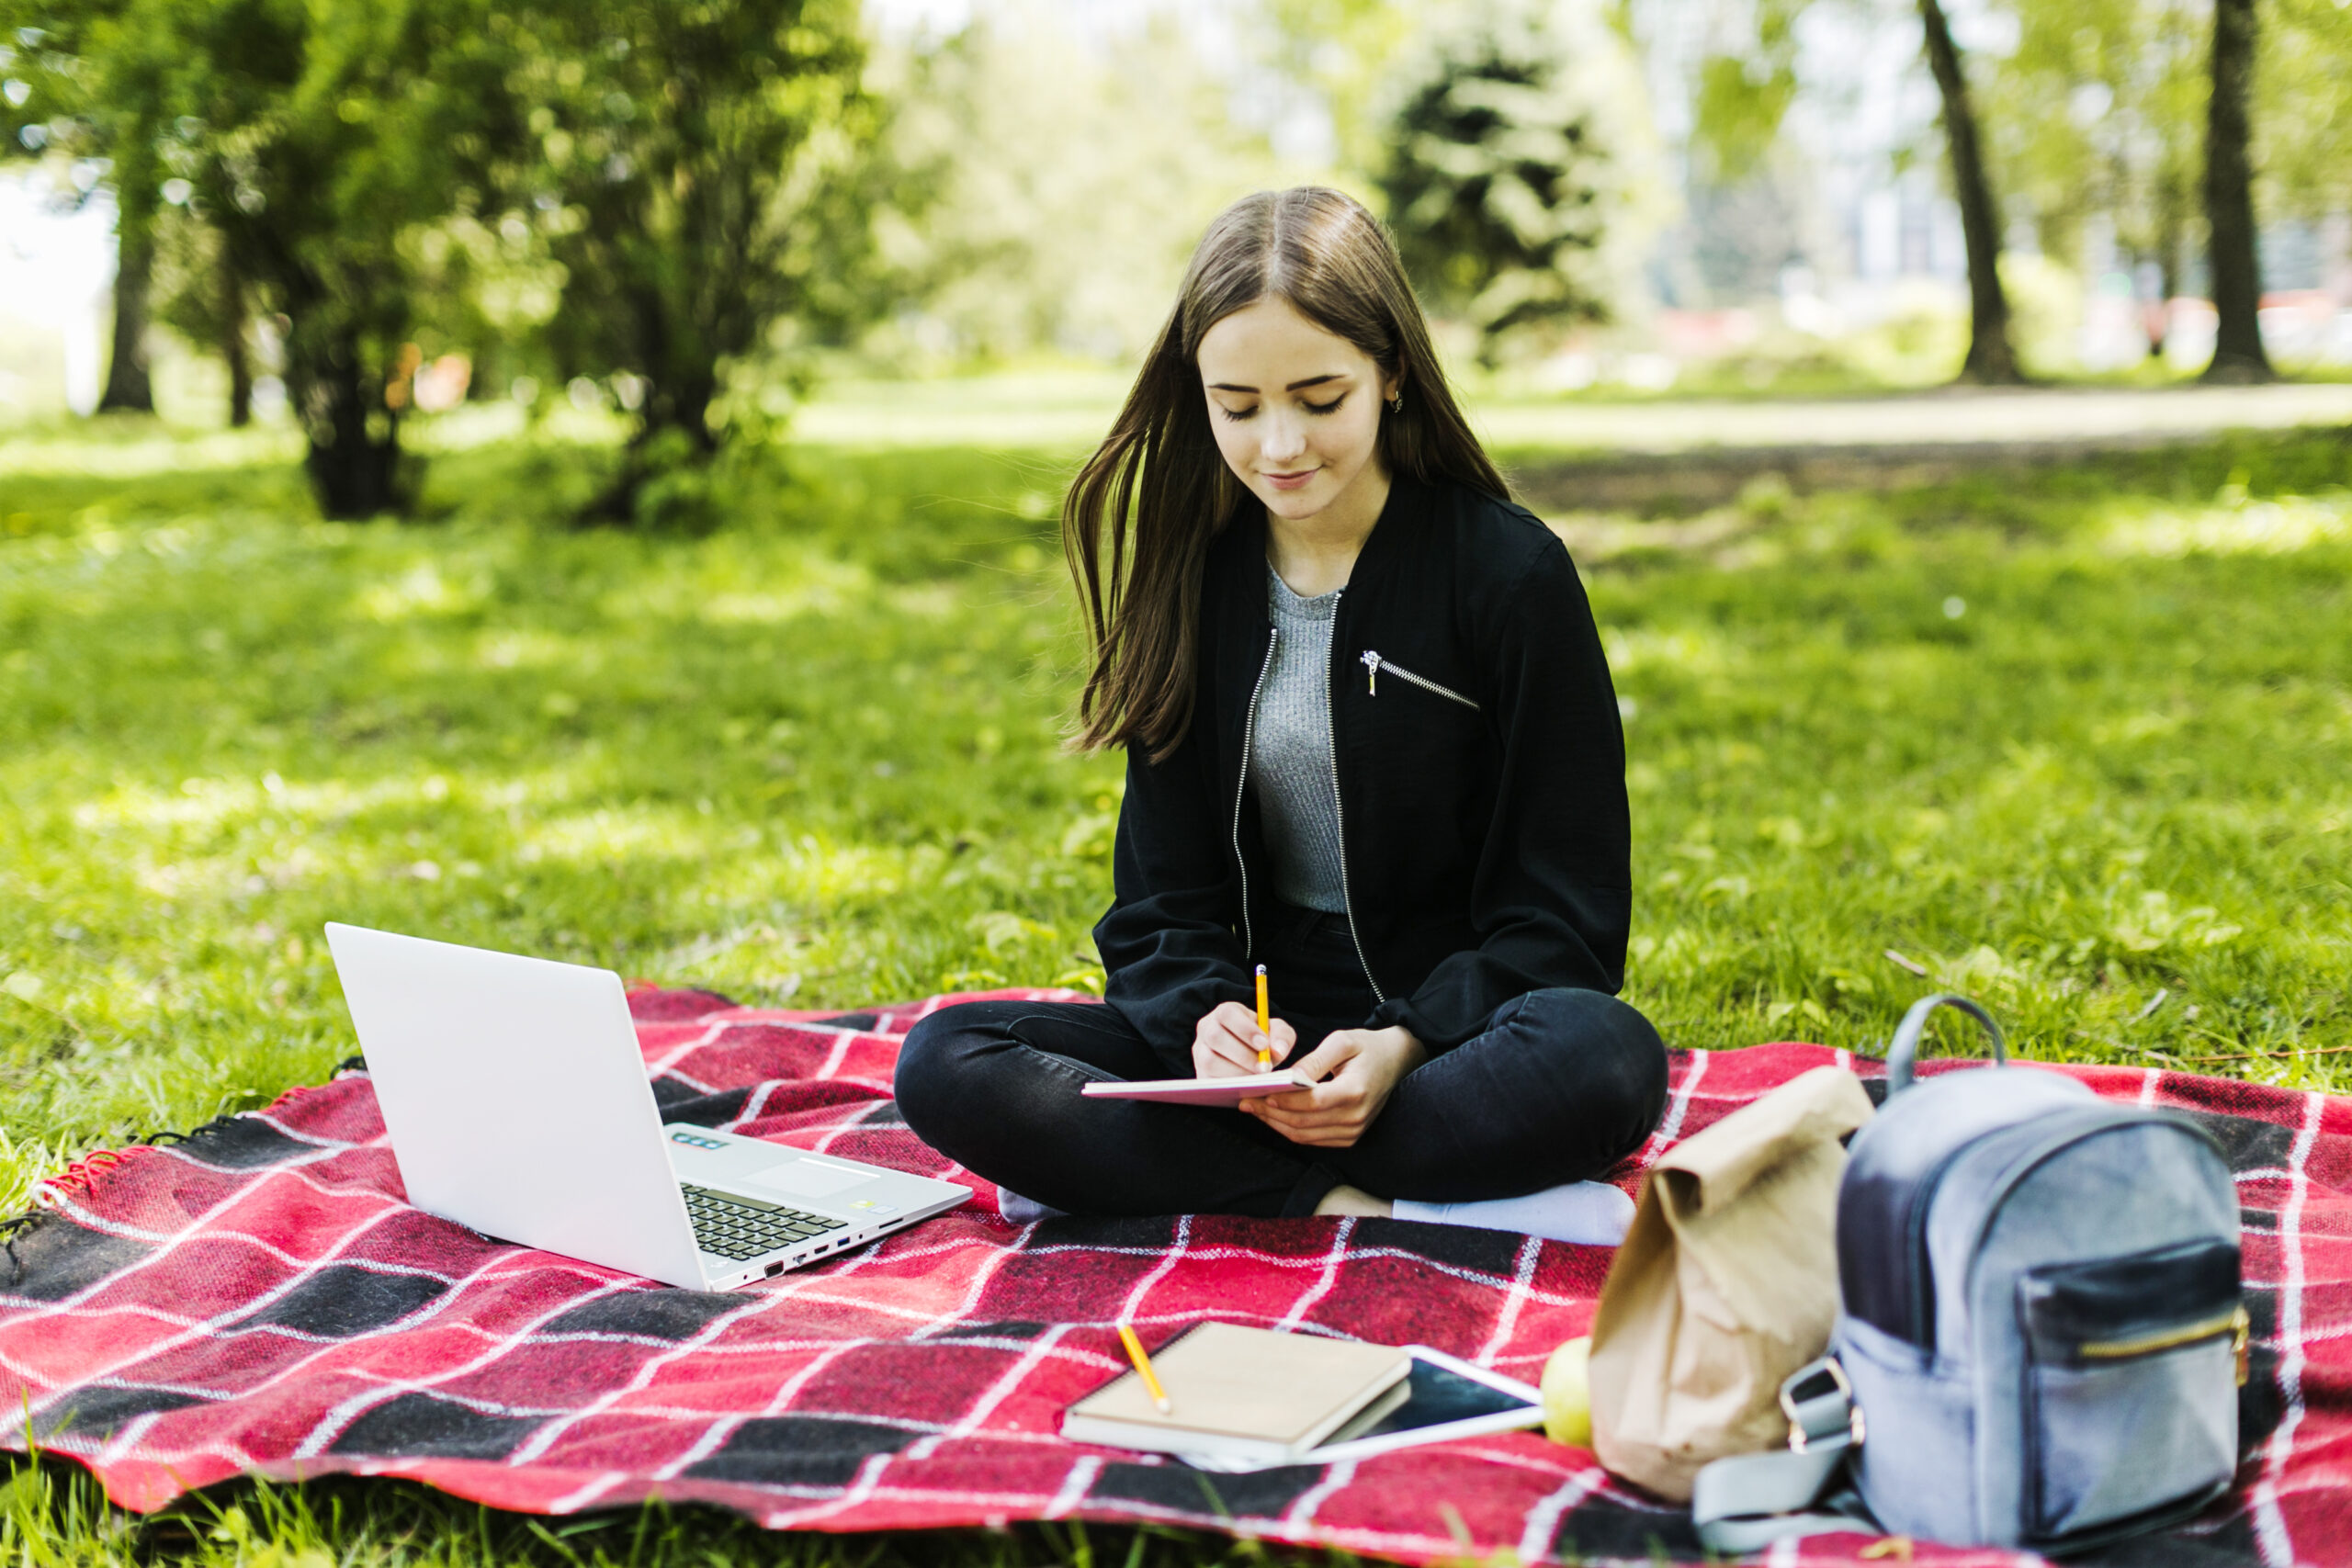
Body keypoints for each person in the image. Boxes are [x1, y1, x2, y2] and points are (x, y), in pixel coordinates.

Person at [894, 187, 1667, 1244]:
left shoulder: (1508, 575)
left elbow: (1564, 921)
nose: (1279, 445)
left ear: (1391, 372)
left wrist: (1400, 1044)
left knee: (1607, 1061)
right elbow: (1161, 900)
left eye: (1319, 396)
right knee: (947, 1064)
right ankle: (1362, 1204)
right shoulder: (1192, 578)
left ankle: (1188, 1178)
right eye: (1239, 405)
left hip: (1451, 1040)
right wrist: (1201, 1021)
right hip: (1255, 1046)